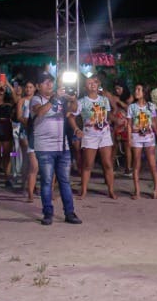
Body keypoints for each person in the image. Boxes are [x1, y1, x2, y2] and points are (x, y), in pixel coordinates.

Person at [30, 73, 81, 224]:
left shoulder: (61, 99)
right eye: (45, 83)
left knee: (65, 181)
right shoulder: (36, 99)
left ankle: (70, 213)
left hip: (62, 146)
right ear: (38, 86)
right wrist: (54, 99)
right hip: (44, 147)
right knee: (46, 181)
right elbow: (40, 112)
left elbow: (73, 110)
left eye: (50, 83)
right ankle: (48, 213)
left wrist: (73, 99)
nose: (49, 85)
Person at [77, 75, 118, 199]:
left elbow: (108, 115)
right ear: (85, 87)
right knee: (88, 164)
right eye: (89, 83)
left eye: (94, 82)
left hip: (104, 134)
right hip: (90, 136)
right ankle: (83, 191)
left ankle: (111, 190)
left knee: (108, 163)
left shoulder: (104, 100)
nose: (92, 85)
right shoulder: (82, 101)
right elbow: (72, 115)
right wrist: (77, 129)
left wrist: (116, 120)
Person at [127, 83, 157, 199]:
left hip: (149, 137)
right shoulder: (132, 107)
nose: (136, 91)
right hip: (136, 137)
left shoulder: (151, 106)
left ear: (144, 93)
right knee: (136, 164)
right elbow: (129, 124)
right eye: (136, 89)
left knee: (152, 164)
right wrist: (129, 138)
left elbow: (155, 123)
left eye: (139, 90)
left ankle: (156, 189)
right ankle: (137, 191)